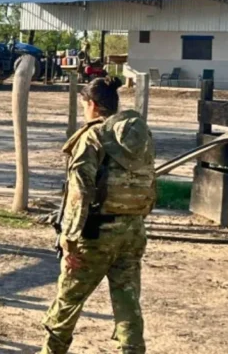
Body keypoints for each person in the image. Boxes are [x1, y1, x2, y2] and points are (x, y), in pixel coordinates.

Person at [41, 76, 156, 354]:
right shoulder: (137, 135)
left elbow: (78, 194)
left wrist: (68, 240)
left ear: (91, 104)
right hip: (133, 231)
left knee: (68, 298)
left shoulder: (91, 138)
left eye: (84, 104)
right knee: (127, 298)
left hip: (95, 235)